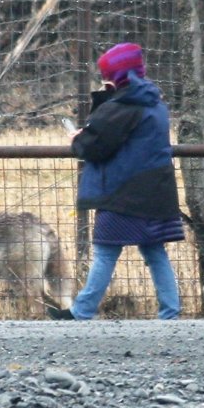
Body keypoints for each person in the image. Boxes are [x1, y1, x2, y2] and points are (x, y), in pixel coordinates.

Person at [53, 42, 184, 320]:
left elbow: (94, 146)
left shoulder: (124, 106)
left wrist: (78, 139)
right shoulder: (154, 103)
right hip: (156, 191)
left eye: (107, 74)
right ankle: (171, 313)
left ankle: (83, 311)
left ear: (120, 76)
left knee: (104, 250)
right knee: (154, 251)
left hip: (122, 194)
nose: (104, 80)